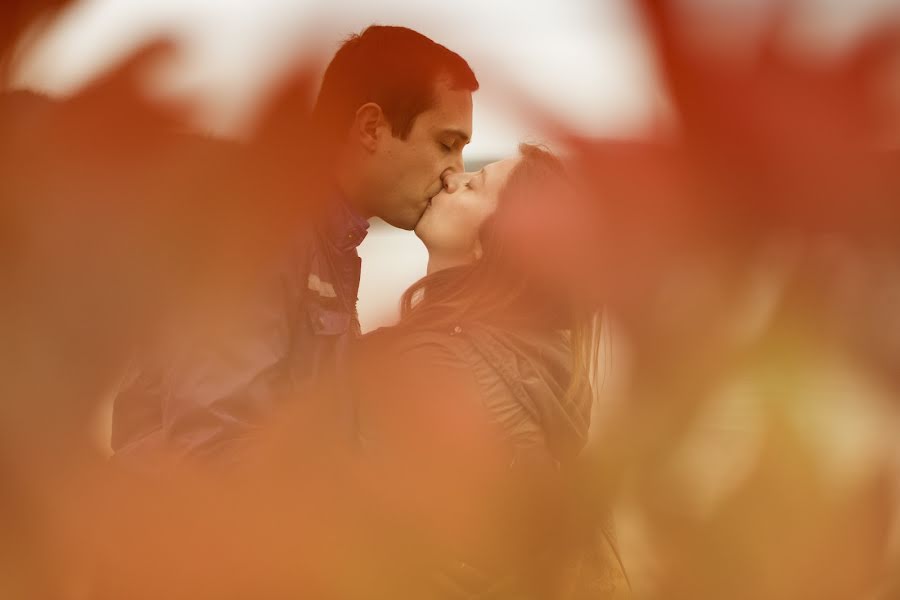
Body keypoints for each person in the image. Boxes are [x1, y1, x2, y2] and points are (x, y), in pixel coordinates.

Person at [110, 25, 478, 464]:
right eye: (446, 145)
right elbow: (210, 448)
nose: (454, 172)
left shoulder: (324, 238)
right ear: (372, 127)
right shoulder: (263, 229)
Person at [347, 144, 630, 599]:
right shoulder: (547, 365)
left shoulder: (430, 359)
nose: (451, 177)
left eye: (473, 184)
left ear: (489, 245)